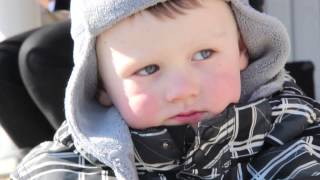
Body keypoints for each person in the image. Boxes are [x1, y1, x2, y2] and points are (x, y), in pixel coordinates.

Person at [11, 0, 320, 179]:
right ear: (100, 85)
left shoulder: (294, 134)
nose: (183, 90)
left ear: (242, 50)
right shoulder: (65, 171)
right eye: (147, 69)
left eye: (204, 54)